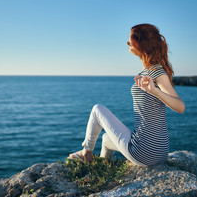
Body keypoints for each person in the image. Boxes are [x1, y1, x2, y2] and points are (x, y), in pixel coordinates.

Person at [68, 23, 185, 166]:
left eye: (130, 40)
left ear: (140, 44)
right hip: (159, 152)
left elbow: (180, 107)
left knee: (97, 110)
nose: (127, 43)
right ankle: (103, 166)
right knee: (106, 139)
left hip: (144, 152)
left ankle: (86, 152)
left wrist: (155, 91)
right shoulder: (149, 71)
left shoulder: (157, 72)